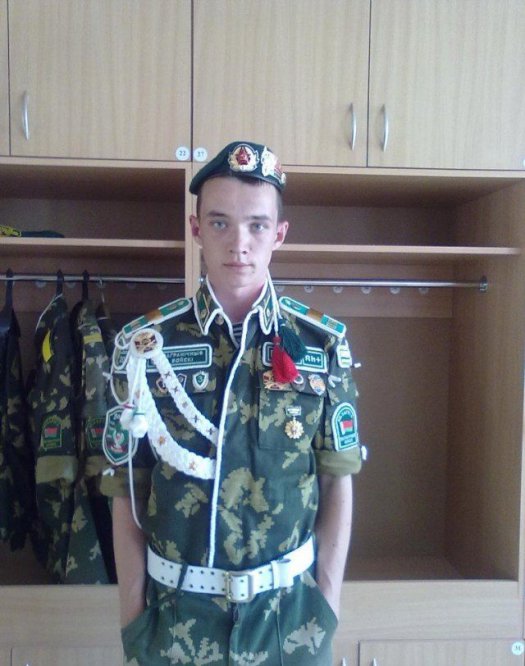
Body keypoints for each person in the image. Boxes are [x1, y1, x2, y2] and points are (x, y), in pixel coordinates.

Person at [101, 141, 363, 665]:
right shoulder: (146, 346)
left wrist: (326, 608)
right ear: (196, 229)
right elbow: (125, 487)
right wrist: (133, 620)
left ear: (279, 234)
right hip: (176, 625)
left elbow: (337, 479)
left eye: (257, 226)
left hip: (290, 625)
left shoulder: (321, 346)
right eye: (220, 223)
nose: (239, 245)